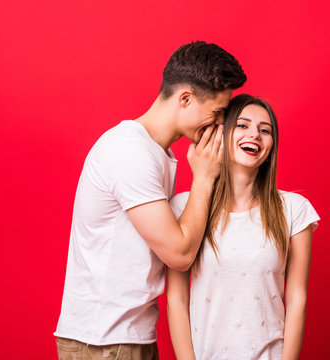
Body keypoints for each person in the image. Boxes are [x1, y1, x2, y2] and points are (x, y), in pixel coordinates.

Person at [54, 41, 246, 359]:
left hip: (124, 338)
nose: (219, 123)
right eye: (216, 112)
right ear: (185, 99)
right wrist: (204, 178)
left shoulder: (156, 152)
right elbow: (179, 254)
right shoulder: (131, 152)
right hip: (104, 343)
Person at [167, 94, 320, 360]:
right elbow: (176, 300)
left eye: (265, 130)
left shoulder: (294, 209)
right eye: (243, 125)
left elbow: (297, 299)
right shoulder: (185, 206)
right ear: (220, 135)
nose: (255, 135)